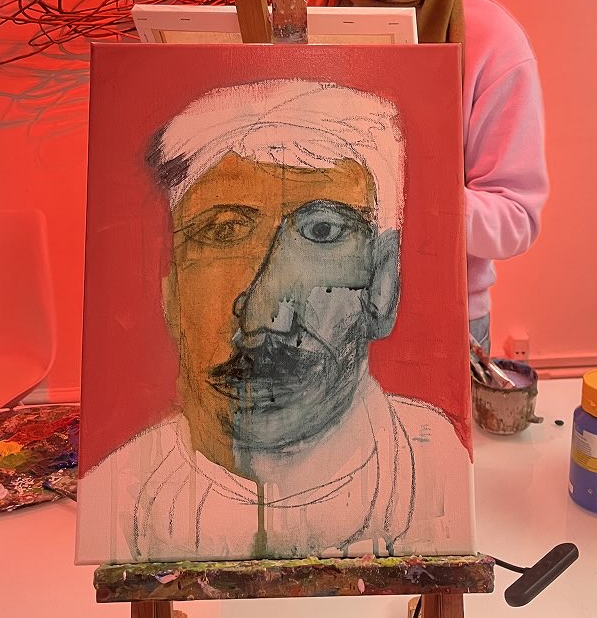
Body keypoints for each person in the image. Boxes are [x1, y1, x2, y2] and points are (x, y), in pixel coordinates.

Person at [77, 80, 473, 563]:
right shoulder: (122, 499)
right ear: (172, 291)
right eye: (223, 231)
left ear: (383, 284)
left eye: (322, 231)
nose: (266, 314)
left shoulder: (435, 471)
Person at [309, 0, 549, 354]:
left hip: (446, 320)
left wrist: (394, 198)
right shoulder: (301, 10)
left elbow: (517, 219)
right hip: (310, 318)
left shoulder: (494, 42)